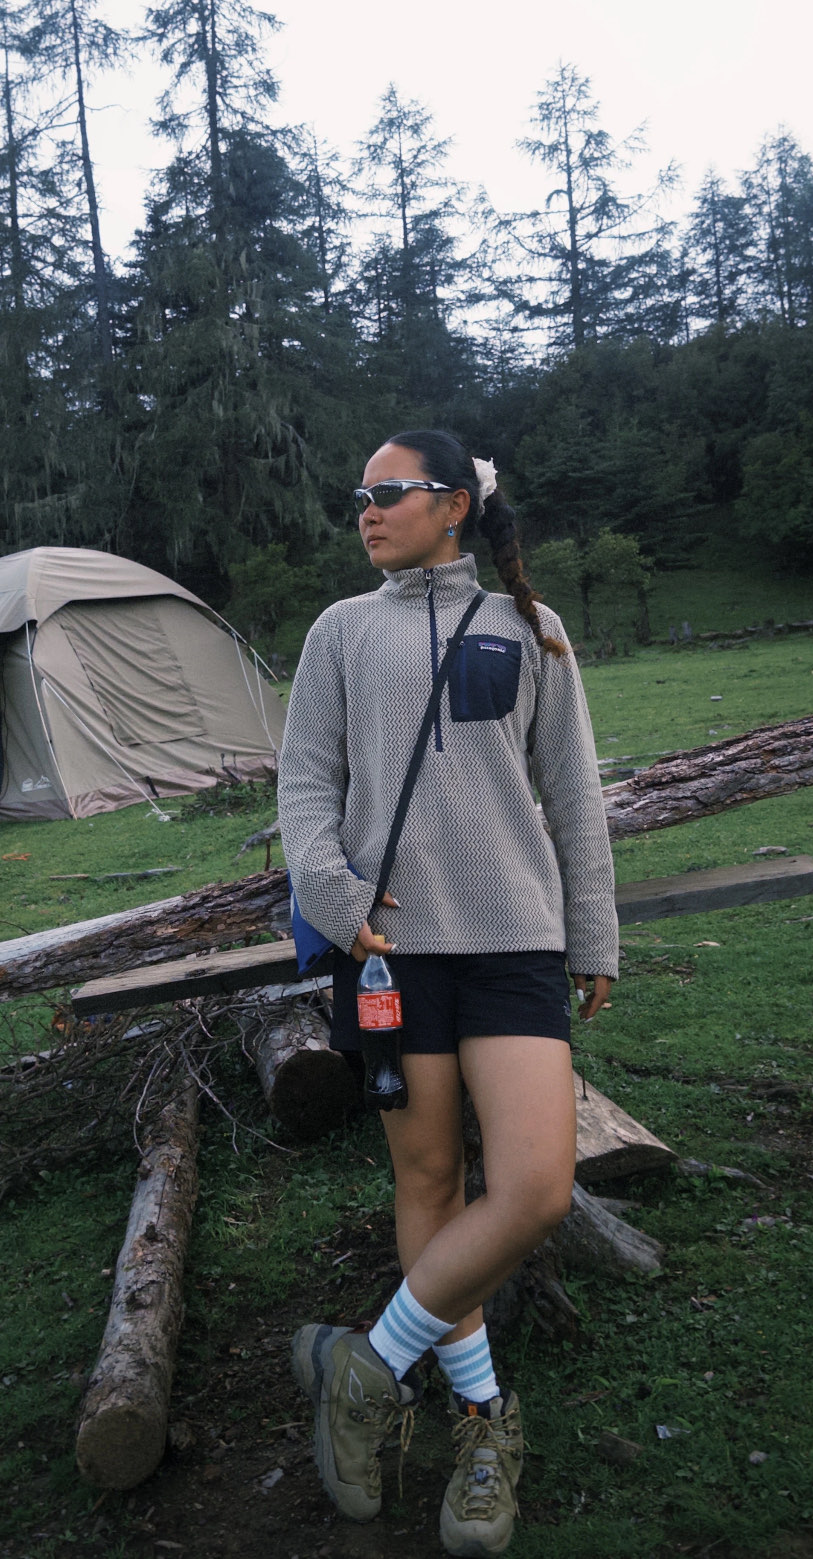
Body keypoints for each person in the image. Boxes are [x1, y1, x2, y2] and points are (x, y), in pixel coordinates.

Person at [278, 430, 618, 1557]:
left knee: (535, 1188)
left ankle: (365, 1365)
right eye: (360, 495)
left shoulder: (533, 627)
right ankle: (482, 1425)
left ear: (456, 504)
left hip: (513, 942)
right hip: (391, 950)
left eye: (389, 492)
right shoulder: (340, 631)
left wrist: (592, 932)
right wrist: (337, 898)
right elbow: (304, 787)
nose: (366, 510)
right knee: (429, 1177)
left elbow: (573, 794)